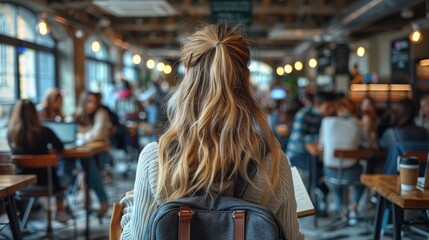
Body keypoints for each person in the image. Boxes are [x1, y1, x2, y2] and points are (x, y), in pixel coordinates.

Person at [119, 24, 304, 240]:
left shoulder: (156, 158)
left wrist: (132, 206)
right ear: (245, 77)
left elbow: (136, 238)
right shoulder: (272, 161)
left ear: (187, 74)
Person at [7, 99, 71, 223]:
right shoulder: (44, 131)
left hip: (22, 184)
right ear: (35, 113)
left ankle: (24, 219)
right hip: (47, 182)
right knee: (64, 175)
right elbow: (60, 148)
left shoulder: (11, 134)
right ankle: (60, 210)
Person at [319, 97, 368, 223]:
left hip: (330, 171)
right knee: (362, 178)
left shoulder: (327, 121)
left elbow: (321, 146)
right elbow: (365, 144)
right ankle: (353, 208)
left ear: (338, 109)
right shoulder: (358, 123)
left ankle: (338, 203)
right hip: (351, 172)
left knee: (337, 178)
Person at [73, 91, 110, 218]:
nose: (92, 105)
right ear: (82, 103)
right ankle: (101, 200)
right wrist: (85, 136)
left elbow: (98, 134)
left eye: (94, 102)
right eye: (89, 102)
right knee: (86, 163)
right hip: (84, 155)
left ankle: (89, 200)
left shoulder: (101, 113)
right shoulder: (76, 115)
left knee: (86, 165)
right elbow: (70, 133)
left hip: (102, 153)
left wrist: (81, 136)